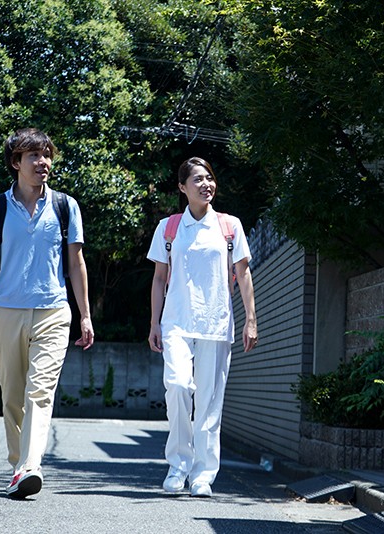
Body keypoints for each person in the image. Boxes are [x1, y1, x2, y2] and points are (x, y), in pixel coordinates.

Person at [0, 127, 94, 499]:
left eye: (47, 154)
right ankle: (18, 466)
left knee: (40, 391)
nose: (43, 162)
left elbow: (76, 263)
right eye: (34, 155)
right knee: (12, 396)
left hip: (54, 311)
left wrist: (85, 315)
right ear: (16, 162)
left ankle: (30, 466)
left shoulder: (65, 206)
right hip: (6, 310)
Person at [147, 157, 258, 498]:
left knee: (209, 402)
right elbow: (159, 278)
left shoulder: (229, 226)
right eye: (197, 179)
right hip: (176, 321)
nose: (206, 184)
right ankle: (178, 465)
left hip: (216, 321)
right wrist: (154, 323)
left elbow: (242, 273)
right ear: (182, 187)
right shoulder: (169, 227)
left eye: (209, 178)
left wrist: (251, 320)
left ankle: (202, 476)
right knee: (178, 385)